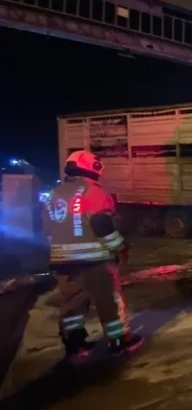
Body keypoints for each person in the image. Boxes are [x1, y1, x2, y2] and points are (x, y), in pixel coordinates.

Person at [42, 150, 143, 361]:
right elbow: (101, 224)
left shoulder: (54, 193)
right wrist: (120, 247)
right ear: (92, 167)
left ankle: (74, 345)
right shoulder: (94, 191)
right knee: (109, 302)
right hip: (95, 261)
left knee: (72, 303)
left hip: (63, 263)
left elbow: (48, 230)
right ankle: (119, 342)